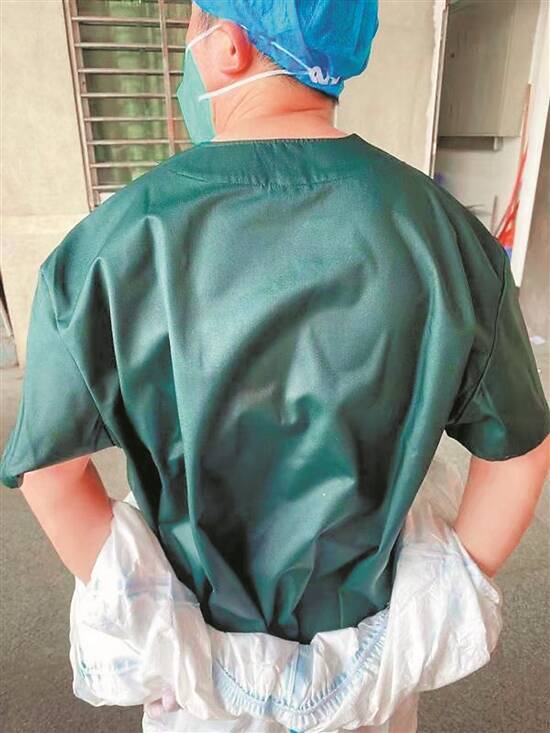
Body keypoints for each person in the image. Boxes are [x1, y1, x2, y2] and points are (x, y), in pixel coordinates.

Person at [1, 1, 549, 731]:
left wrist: (166, 628)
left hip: (196, 688)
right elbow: (518, 453)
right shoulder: (446, 238)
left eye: (194, 23)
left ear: (229, 46)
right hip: (370, 681)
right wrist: (421, 621)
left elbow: (51, 475)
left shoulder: (108, 247)